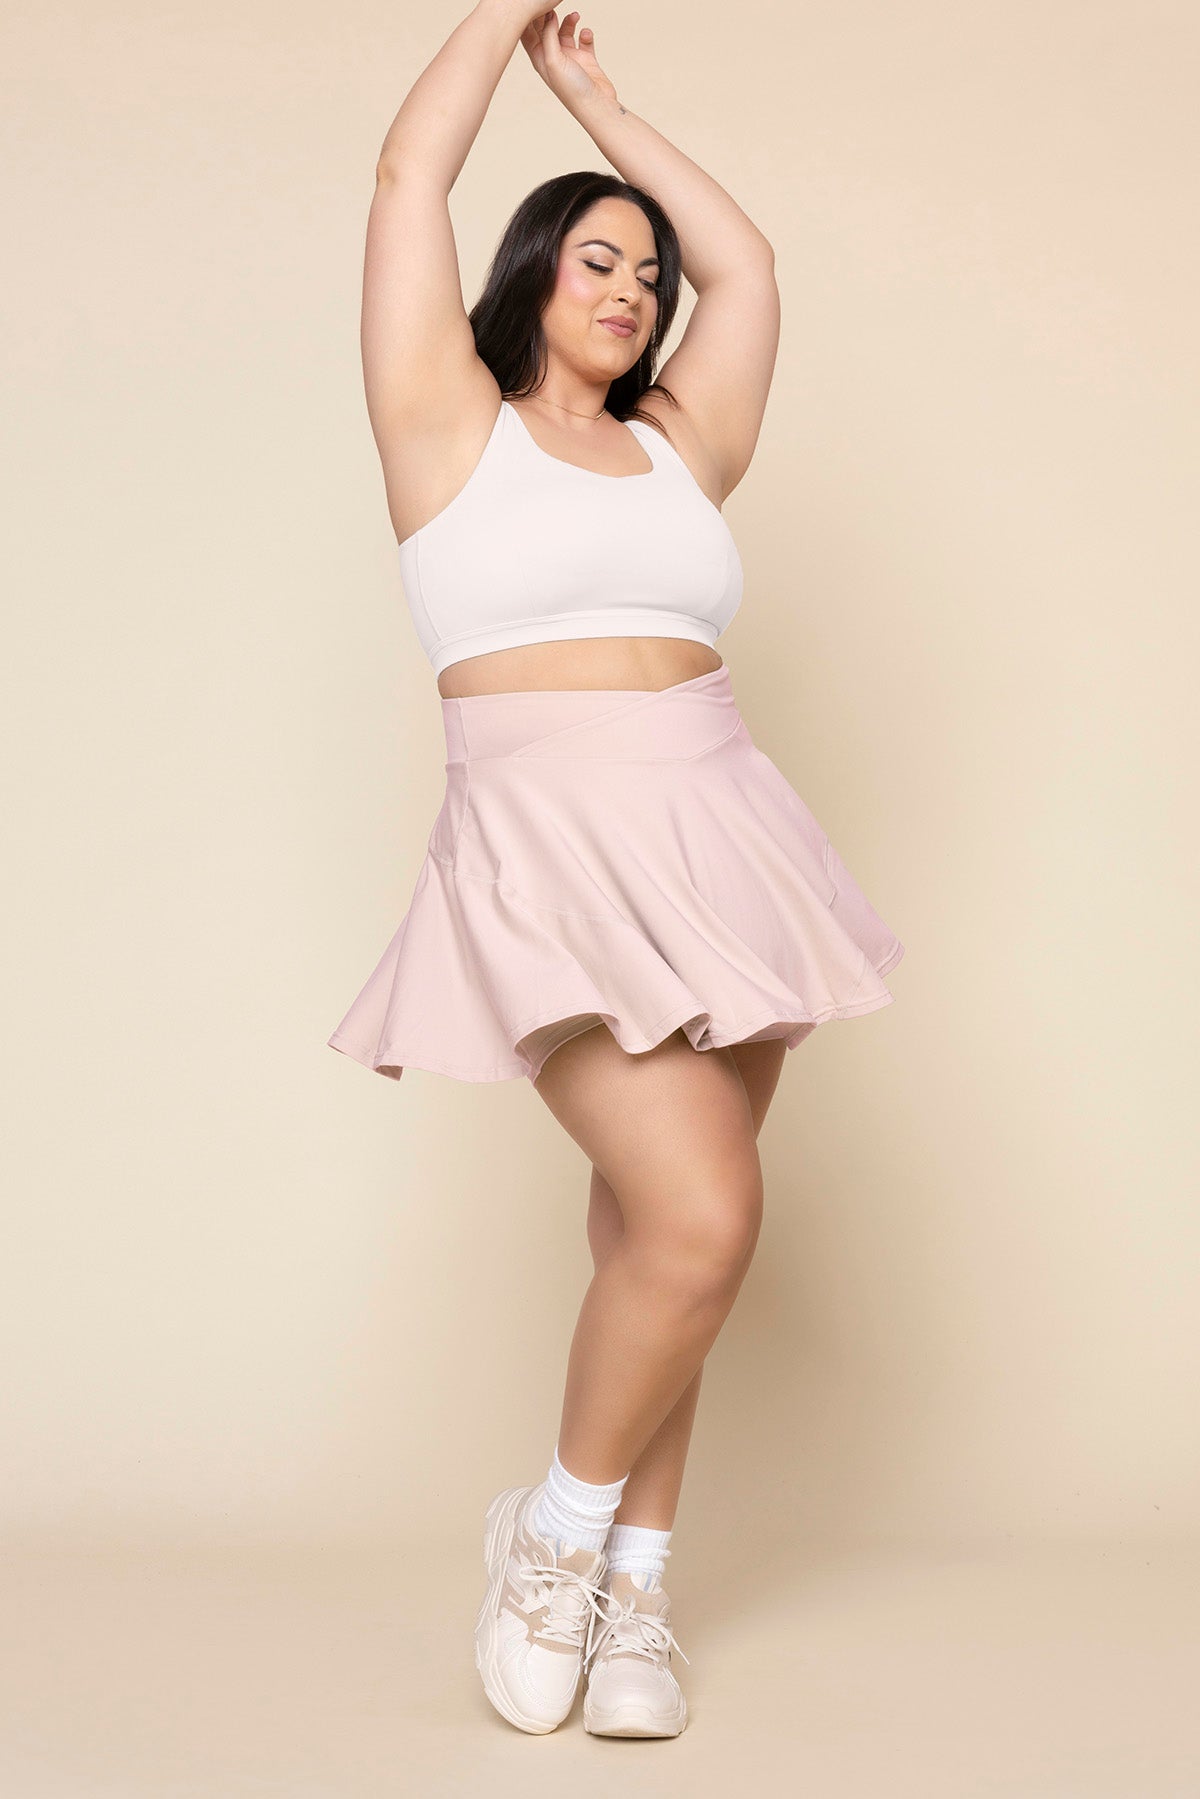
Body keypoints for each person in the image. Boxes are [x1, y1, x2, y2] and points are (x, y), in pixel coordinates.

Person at [327, 1, 905, 1739]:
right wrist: (507, 25)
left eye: (646, 276)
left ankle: (635, 1590)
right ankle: (555, 1536)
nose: (636, 291)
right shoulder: (444, 422)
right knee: (704, 1215)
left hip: (723, 833)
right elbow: (407, 173)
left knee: (661, 1237)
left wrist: (602, 104)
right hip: (549, 851)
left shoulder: (681, 442)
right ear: (530, 274)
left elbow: (751, 266)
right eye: (598, 259)